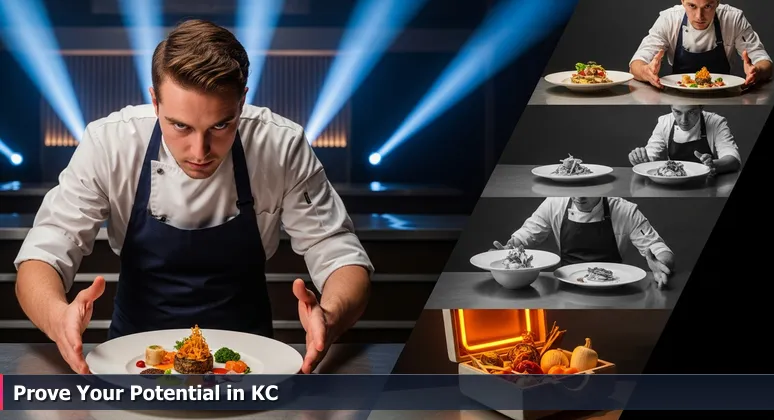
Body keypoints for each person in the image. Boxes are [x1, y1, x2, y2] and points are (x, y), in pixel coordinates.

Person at [13, 20, 373, 375]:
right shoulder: (109, 143)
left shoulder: (281, 145)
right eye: (180, 126)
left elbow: (338, 251)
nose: (200, 151)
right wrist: (57, 317)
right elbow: (45, 253)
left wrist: (331, 314)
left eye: (220, 125)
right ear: (155, 102)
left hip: (248, 365)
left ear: (242, 101)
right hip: (135, 363)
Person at [493, 197, 675, 288]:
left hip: (614, 289)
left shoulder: (625, 210)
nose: (580, 195)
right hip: (565, 288)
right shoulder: (554, 204)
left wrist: (661, 263)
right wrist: (510, 248)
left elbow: (659, 249)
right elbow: (526, 235)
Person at [629, 0, 772, 88]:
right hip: (678, 94)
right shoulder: (668, 19)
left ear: (717, 2)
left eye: (708, 6)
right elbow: (636, 64)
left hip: (724, 95)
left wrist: (757, 71)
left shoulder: (733, 19)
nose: (699, 16)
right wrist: (645, 71)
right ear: (682, 1)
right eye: (692, 6)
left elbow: (765, 62)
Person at [628, 105, 741, 176]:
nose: (683, 120)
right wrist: (640, 157)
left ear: (701, 107)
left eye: (691, 112)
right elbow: (650, 153)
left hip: (707, 184)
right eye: (677, 112)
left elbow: (733, 159)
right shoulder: (664, 122)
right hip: (673, 183)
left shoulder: (716, 122)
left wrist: (713, 165)